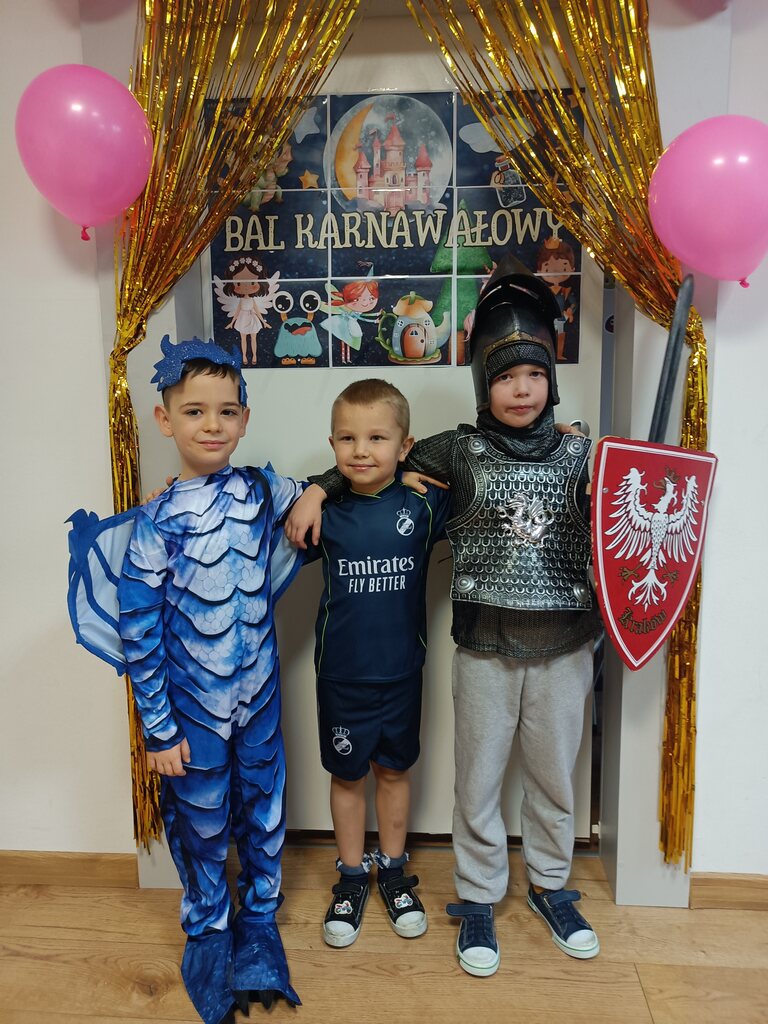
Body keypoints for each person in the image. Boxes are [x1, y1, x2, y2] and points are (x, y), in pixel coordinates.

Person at [286, 258, 603, 976]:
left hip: (565, 643)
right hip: (484, 644)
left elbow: (629, 516)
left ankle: (551, 886)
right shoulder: (458, 450)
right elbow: (375, 462)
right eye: (504, 375)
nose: (521, 389)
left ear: (552, 379)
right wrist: (319, 486)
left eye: (535, 374)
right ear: (482, 382)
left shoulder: (583, 452)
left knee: (555, 778)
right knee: (479, 782)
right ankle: (480, 895)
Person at [116, 337, 304, 1023]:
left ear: (245, 419)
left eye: (227, 411)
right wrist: (158, 729)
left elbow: (320, 489)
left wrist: (315, 494)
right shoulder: (153, 524)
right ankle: (208, 927)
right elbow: (138, 633)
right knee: (199, 822)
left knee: (265, 809)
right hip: (191, 711)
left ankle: (260, 919)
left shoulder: (262, 490)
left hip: (259, 701)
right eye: (194, 411)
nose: (212, 425)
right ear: (165, 420)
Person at [303, 379, 451, 948]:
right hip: (341, 676)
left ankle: (392, 871)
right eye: (347, 438)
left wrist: (560, 436)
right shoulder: (323, 510)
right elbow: (257, 508)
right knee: (346, 777)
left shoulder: (423, 502)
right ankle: (349, 877)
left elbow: (473, 450)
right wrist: (318, 489)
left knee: (393, 772)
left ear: (404, 444)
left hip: (402, 674)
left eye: (377, 438)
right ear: (332, 444)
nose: (361, 450)